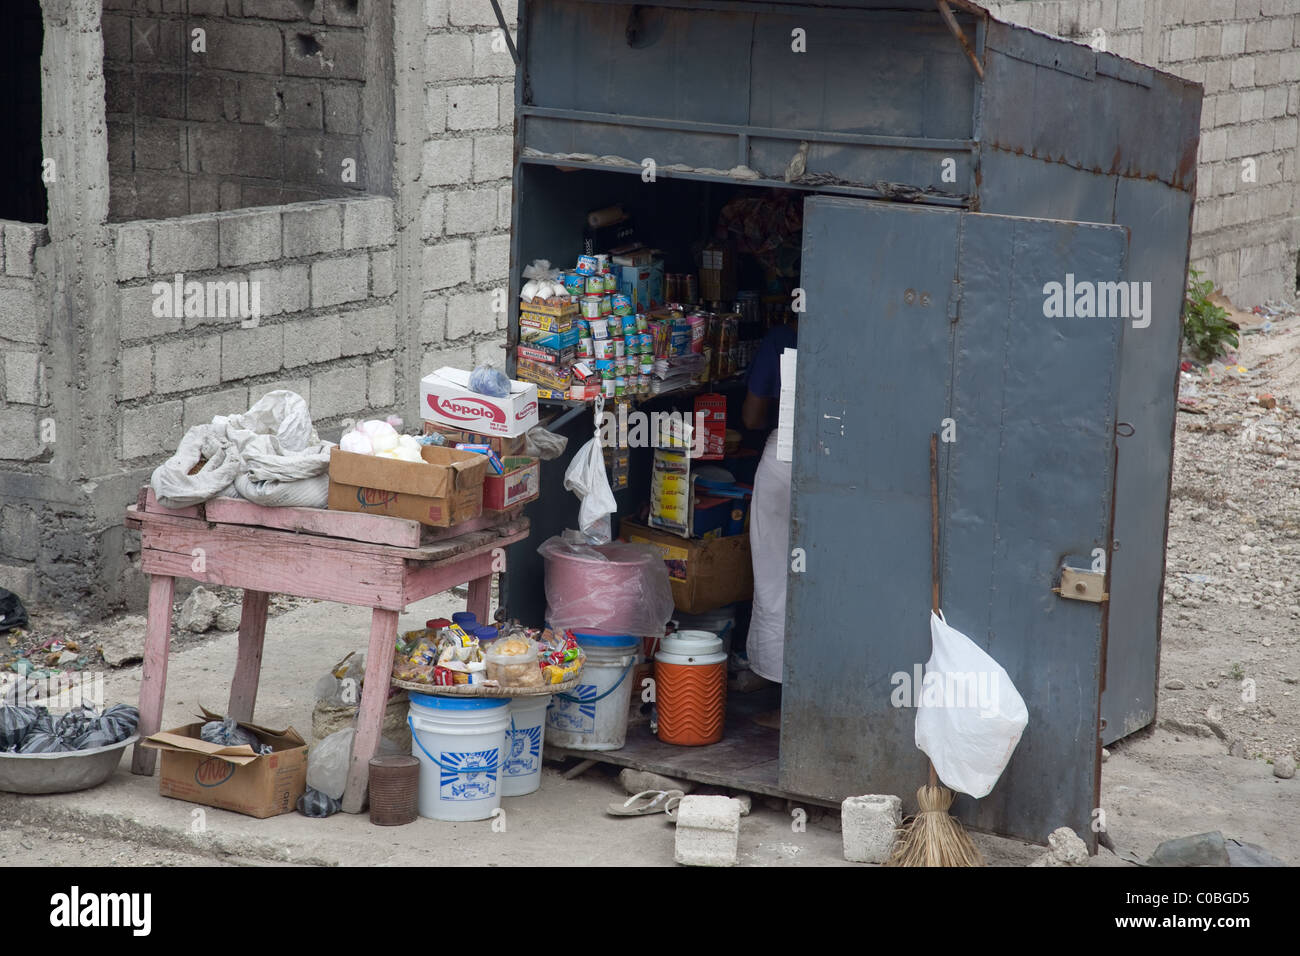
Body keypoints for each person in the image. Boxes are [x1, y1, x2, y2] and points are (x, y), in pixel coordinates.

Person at [741, 319, 798, 693]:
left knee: (775, 575)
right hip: (844, 461)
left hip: (785, 455)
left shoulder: (782, 336)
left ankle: (778, 687)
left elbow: (751, 417)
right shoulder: (861, 329)